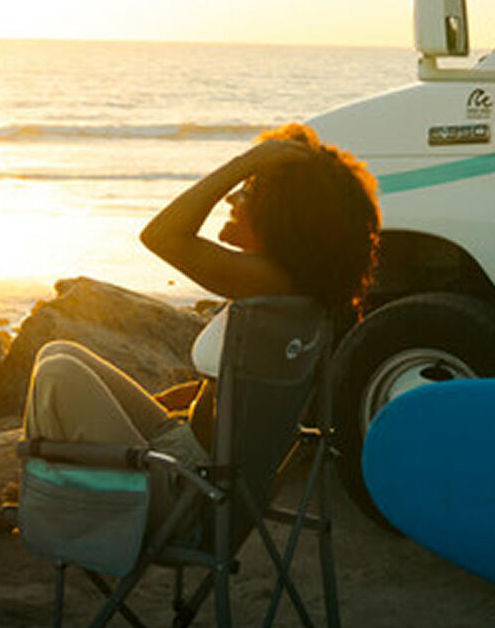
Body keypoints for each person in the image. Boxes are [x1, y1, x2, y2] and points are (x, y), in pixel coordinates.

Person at [23, 124, 380, 466]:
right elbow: (255, 390)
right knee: (60, 351)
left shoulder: (269, 281)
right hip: (199, 461)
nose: (230, 197)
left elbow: (162, 235)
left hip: (189, 484)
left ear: (281, 214)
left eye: (247, 191)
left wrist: (246, 163)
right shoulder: (293, 293)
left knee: (57, 370)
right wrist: (193, 395)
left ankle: (44, 493)